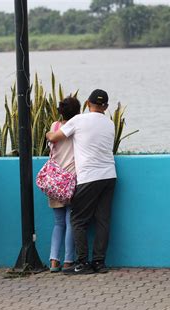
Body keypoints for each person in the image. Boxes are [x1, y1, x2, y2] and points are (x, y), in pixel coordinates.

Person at [46, 89, 116, 274]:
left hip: (88, 177)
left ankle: (82, 263)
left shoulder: (79, 120)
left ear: (87, 104)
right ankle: (99, 262)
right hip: (109, 175)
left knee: (77, 220)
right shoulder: (110, 124)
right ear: (106, 107)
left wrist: (47, 133)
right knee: (102, 220)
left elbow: (55, 137)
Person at [47, 97, 80, 273]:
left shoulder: (54, 127)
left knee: (58, 223)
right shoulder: (77, 128)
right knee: (70, 221)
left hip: (54, 180)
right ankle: (68, 260)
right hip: (71, 179)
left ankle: (53, 261)